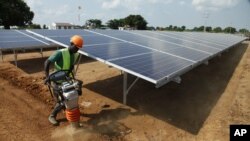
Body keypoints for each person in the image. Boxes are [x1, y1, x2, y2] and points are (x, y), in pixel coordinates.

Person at [44, 35, 83, 126]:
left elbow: (71, 65)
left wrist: (71, 77)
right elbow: (47, 62)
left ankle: (73, 117)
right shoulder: (60, 53)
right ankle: (52, 116)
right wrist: (47, 77)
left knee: (73, 96)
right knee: (62, 101)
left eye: (79, 48)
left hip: (67, 79)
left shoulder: (75, 54)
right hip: (57, 80)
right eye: (76, 47)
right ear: (71, 44)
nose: (77, 50)